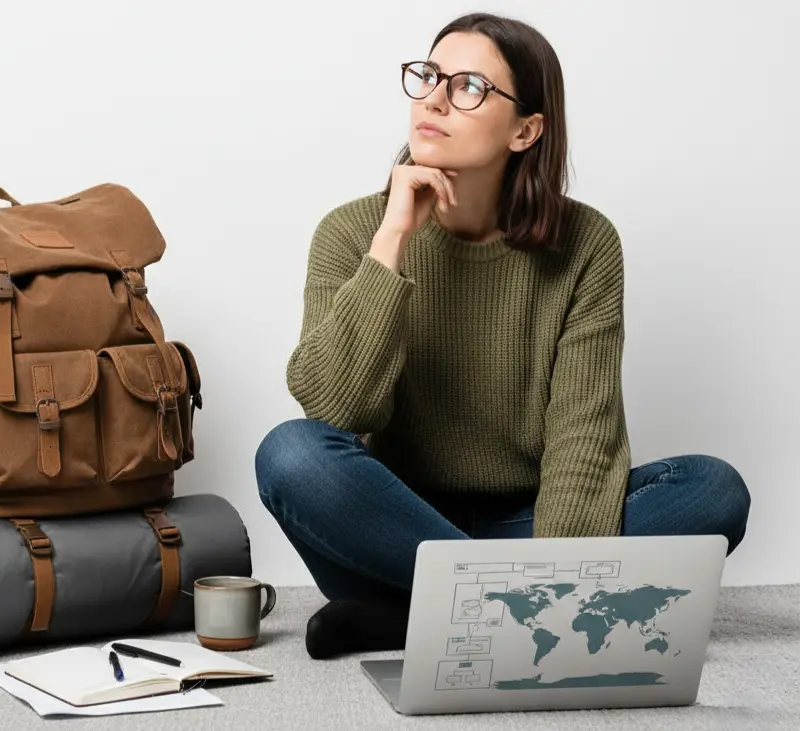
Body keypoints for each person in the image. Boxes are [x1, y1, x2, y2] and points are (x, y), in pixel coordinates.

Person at [254, 12, 751, 660]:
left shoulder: (585, 244)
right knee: (289, 454)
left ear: (526, 129)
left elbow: (584, 437)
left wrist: (559, 555)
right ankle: (517, 611)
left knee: (713, 489)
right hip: (393, 524)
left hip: (532, 523)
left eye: (468, 86)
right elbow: (336, 408)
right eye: (429, 75)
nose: (433, 97)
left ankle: (415, 616)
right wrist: (393, 242)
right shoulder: (353, 232)